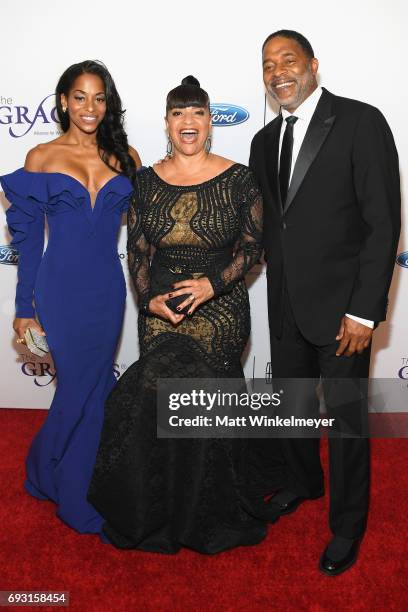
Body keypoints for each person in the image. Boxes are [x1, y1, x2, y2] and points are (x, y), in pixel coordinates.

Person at [87, 76, 272, 554]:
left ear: (210, 122)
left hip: (222, 307)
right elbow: (138, 250)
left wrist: (213, 285)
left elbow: (253, 245)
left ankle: (209, 512)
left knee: (204, 400)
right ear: (167, 123)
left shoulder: (238, 177)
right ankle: (157, 509)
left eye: (197, 112)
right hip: (161, 309)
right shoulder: (146, 180)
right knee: (154, 394)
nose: (187, 122)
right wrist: (147, 298)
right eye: (177, 113)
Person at [248, 30, 400, 575]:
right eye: (268, 64)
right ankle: (303, 483)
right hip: (285, 305)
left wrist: (364, 311)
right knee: (291, 410)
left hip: (343, 314)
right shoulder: (264, 141)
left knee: (345, 422)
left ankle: (348, 525)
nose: (278, 71)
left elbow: (383, 225)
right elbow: (272, 226)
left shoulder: (361, 121)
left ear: (313, 64)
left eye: (288, 60)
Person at [0, 60, 141, 534]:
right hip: (59, 289)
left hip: (107, 288)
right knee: (80, 389)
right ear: (63, 101)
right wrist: (24, 310)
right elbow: (27, 242)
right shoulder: (42, 156)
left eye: (99, 98)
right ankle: (74, 495)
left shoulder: (127, 157)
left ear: (108, 104)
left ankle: (45, 467)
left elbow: (147, 230)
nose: (89, 107)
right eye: (79, 97)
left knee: (94, 388)